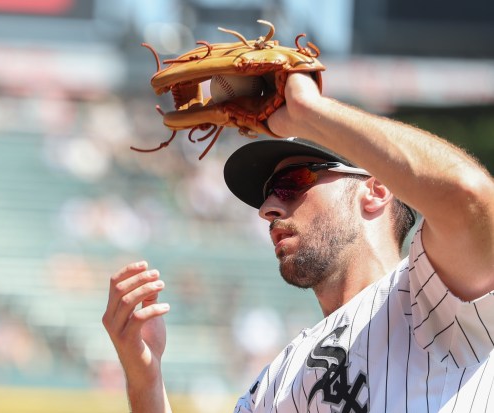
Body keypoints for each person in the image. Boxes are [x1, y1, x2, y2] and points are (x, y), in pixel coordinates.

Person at [102, 70, 494, 412]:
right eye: (269, 191)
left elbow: (470, 196)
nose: (267, 208)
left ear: (375, 191)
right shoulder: (278, 380)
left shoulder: (436, 299)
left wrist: (310, 112)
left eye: (293, 183)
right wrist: (145, 377)